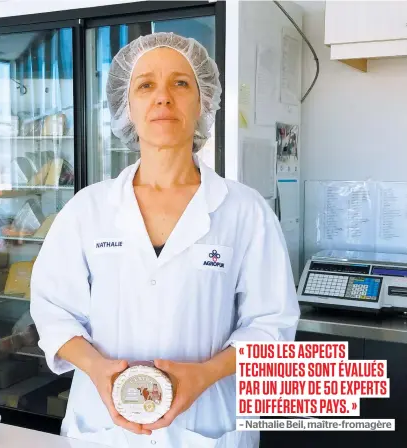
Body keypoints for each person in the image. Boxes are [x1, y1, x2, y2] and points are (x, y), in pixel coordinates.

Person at [30, 32, 300, 447]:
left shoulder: (246, 212)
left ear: (203, 102)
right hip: (105, 428)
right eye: (145, 85)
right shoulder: (89, 209)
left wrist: (205, 374)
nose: (162, 97)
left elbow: (272, 324)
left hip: (207, 424)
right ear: (127, 106)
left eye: (180, 82)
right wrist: (99, 371)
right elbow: (52, 309)